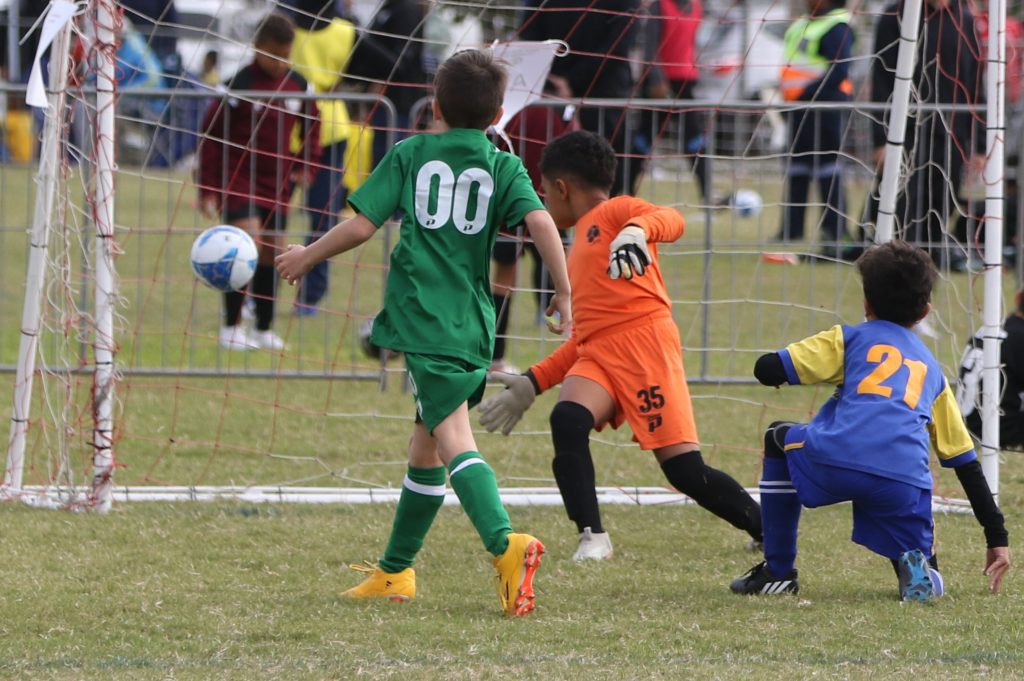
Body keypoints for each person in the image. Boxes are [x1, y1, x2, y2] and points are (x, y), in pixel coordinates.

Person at [274, 49, 573, 617]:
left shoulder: (411, 153)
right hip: (472, 321)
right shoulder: (503, 164)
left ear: (434, 106)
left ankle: (505, 544)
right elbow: (540, 221)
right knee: (426, 447)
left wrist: (307, 255)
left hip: (424, 319)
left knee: (453, 437)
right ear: (498, 114)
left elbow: (362, 225)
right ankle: (395, 571)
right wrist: (562, 290)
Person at [478, 130, 763, 561]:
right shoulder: (577, 244)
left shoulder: (614, 211)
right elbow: (588, 338)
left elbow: (671, 219)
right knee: (568, 419)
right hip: (600, 356)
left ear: (561, 188)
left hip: (647, 349)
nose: (543, 200)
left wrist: (635, 230)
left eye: (544, 191)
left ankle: (766, 526)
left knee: (685, 471)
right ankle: (592, 537)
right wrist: (534, 381)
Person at [731, 240, 1010, 601]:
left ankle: (778, 571)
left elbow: (767, 368)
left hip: (835, 460)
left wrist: (800, 373)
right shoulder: (932, 373)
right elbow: (965, 463)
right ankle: (921, 572)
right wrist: (996, 536)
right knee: (903, 519)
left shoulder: (848, 340)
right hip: (902, 481)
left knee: (776, 436)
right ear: (925, 311)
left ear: (866, 303)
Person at [196, 12, 321, 351]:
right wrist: (207, 187)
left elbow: (313, 128)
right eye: (273, 55)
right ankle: (231, 327)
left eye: (286, 56)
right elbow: (210, 136)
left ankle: (264, 328)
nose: (280, 63)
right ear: (257, 48)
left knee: (272, 251)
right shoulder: (238, 84)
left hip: (277, 182)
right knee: (244, 245)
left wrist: (305, 165)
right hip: (238, 178)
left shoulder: (299, 85)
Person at [869, 0, 984, 269]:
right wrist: (880, 139)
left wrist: (979, 145)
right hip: (904, 136)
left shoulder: (965, 20)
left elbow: (976, 84)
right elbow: (881, 80)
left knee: (941, 207)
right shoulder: (895, 16)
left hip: (951, 137)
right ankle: (895, 271)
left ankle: (928, 272)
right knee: (901, 207)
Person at [491, 85, 578, 372]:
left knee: (506, 277)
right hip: (545, 202)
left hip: (509, 201)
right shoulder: (554, 108)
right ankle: (570, 340)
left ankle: (496, 357)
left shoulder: (506, 107)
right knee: (558, 270)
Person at [519, 0, 644, 196]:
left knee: (605, 179)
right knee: (550, 175)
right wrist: (551, 80)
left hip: (602, 98)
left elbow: (618, 46)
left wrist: (568, 81)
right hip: (552, 98)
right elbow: (529, 35)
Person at [288, 0, 359, 315]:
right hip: (323, 124)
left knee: (305, 217)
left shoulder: (286, 23)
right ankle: (308, 297)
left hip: (290, 126)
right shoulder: (347, 31)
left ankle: (264, 294)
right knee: (321, 218)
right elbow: (383, 64)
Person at [775, 0, 854, 259]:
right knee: (797, 167)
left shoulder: (837, 26)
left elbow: (839, 70)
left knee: (827, 168)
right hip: (798, 108)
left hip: (824, 108)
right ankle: (791, 228)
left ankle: (834, 231)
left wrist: (807, 94)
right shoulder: (801, 25)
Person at [639, 0, 709, 202]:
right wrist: (656, 80)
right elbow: (649, 49)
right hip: (660, 84)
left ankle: (707, 194)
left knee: (695, 140)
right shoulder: (659, 6)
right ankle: (623, 189)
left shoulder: (696, 7)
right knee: (644, 140)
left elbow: (691, 44)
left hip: (686, 82)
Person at [956, 285, 1024, 450]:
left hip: (964, 420)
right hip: (995, 427)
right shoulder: (1020, 337)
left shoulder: (993, 328)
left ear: (1017, 298)